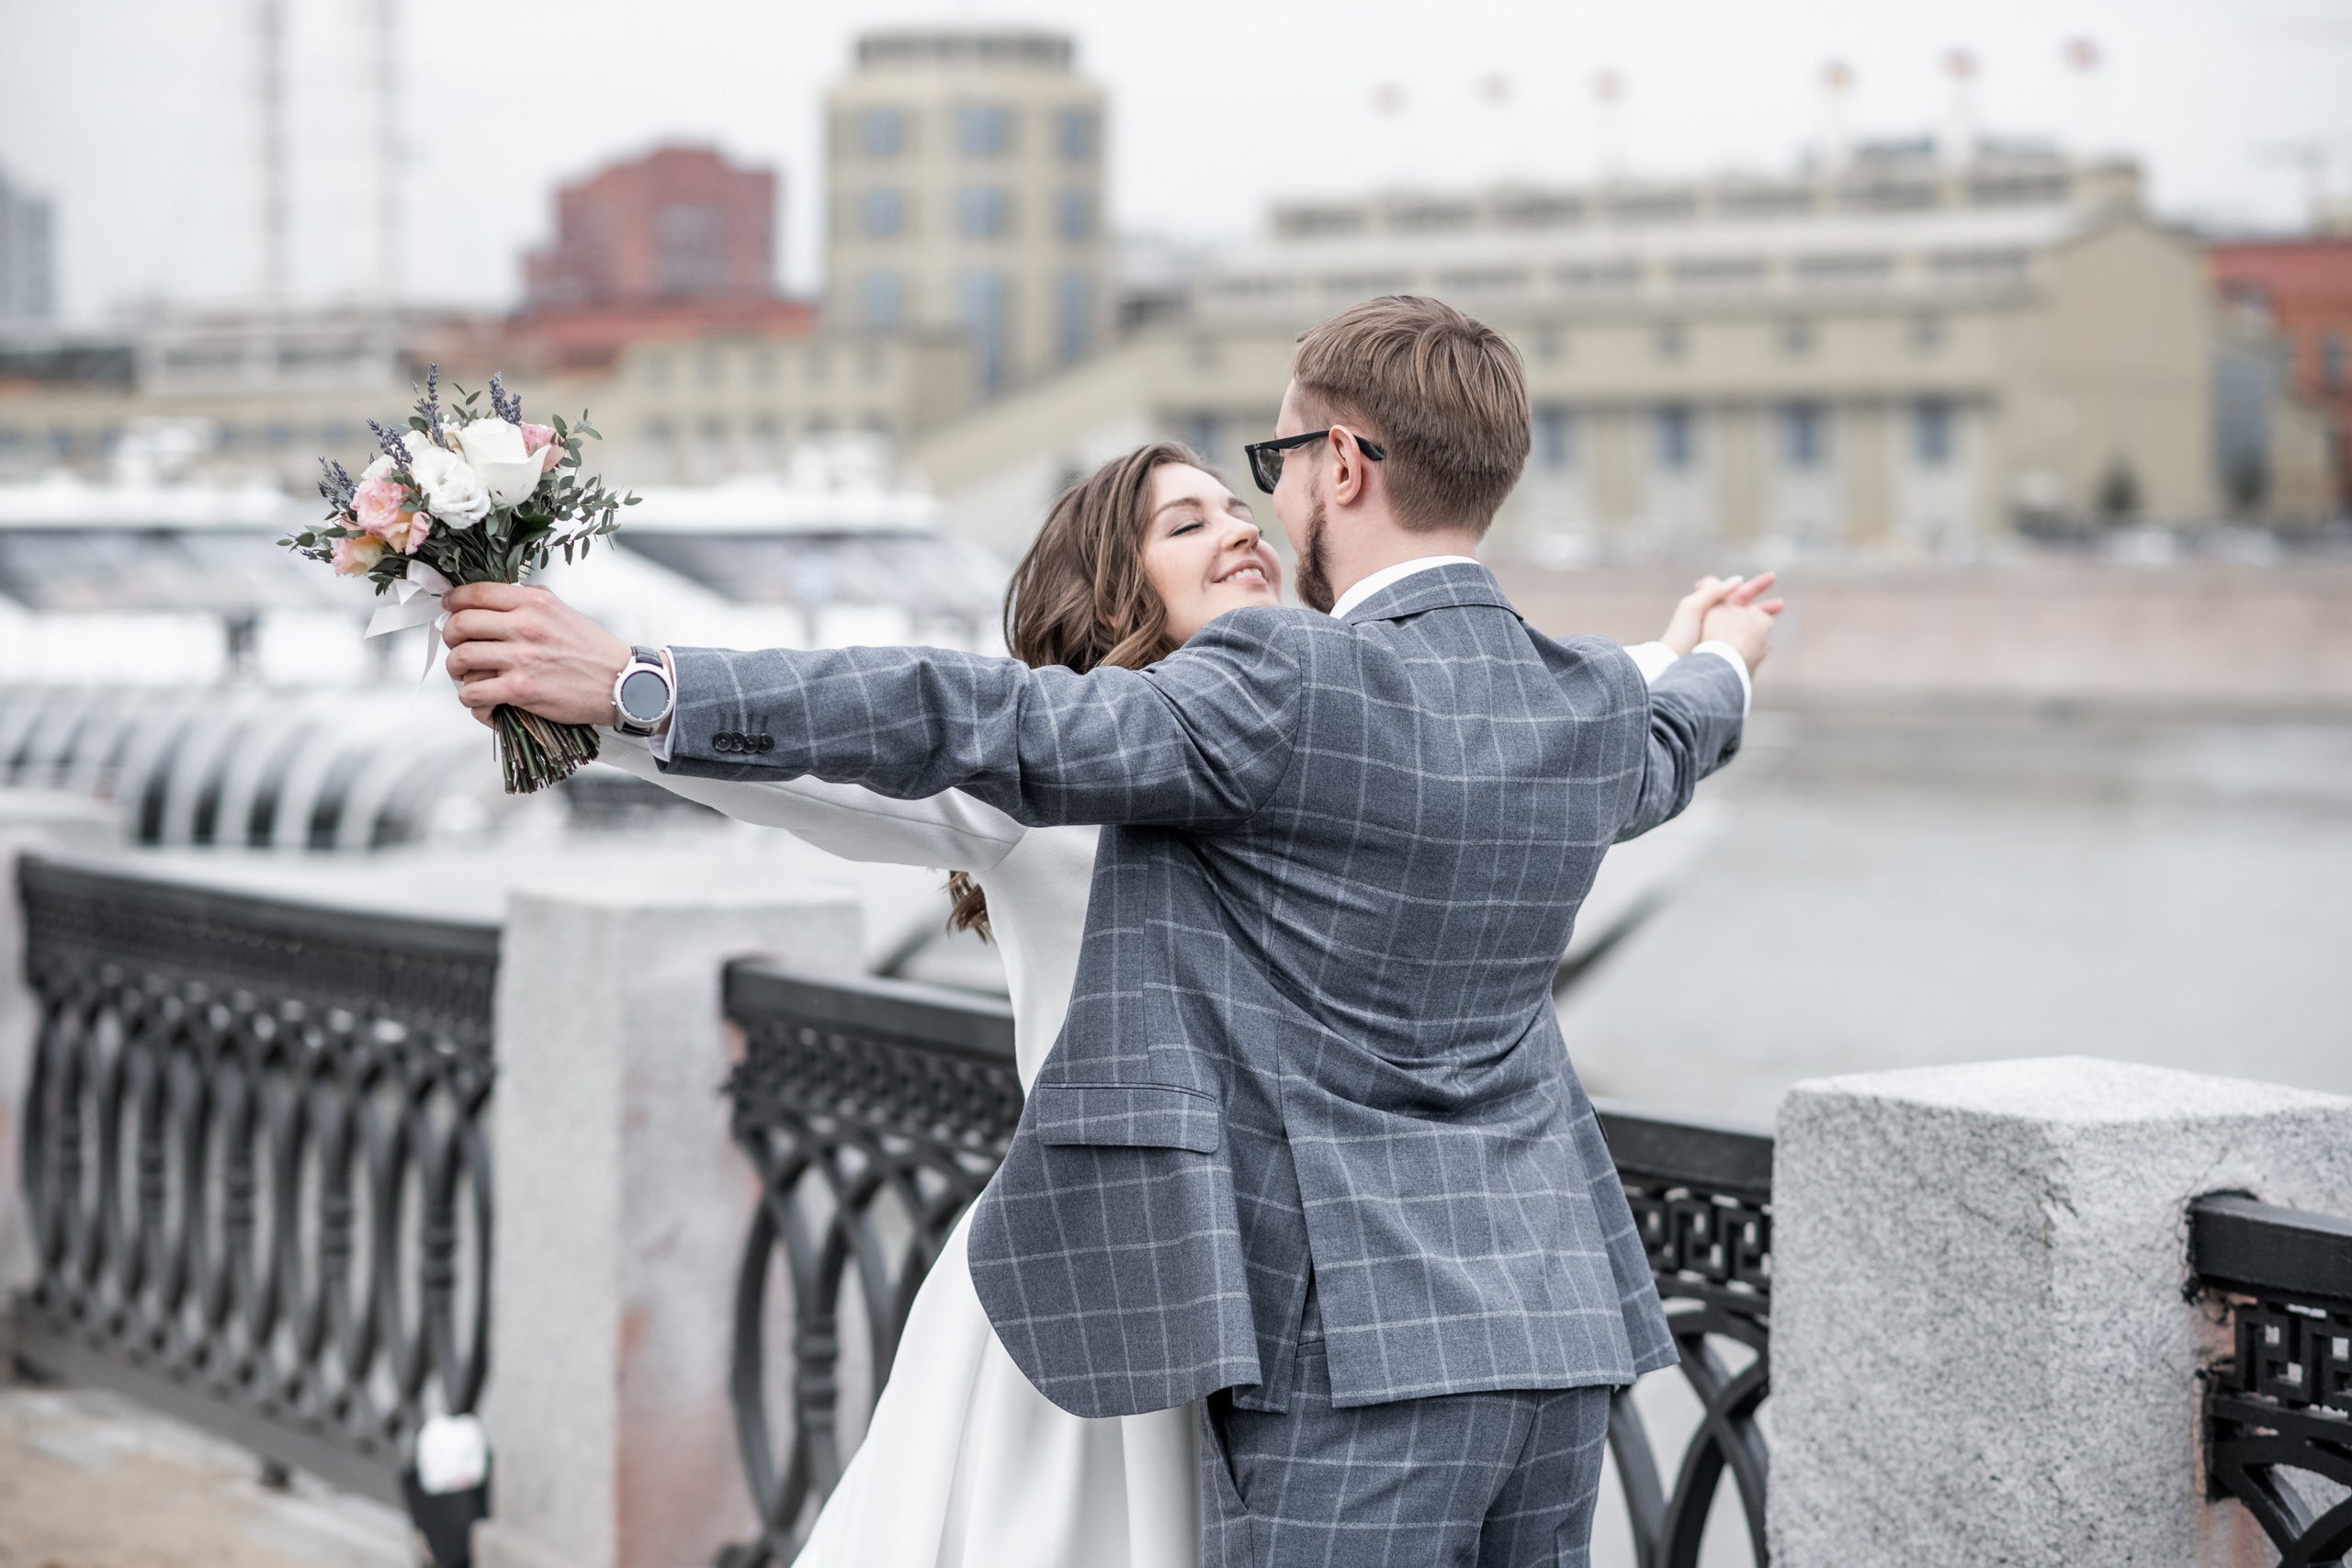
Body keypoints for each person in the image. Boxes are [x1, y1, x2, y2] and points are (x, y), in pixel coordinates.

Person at [444, 295, 1779, 1566]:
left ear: (1344, 465)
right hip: (1558, 1322)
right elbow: (1672, 739)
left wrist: (640, 682)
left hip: (1349, 1346)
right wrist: (1718, 658)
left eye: (1273, 466)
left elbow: (975, 715)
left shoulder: (1277, 678)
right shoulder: (1582, 695)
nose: (1264, 510)